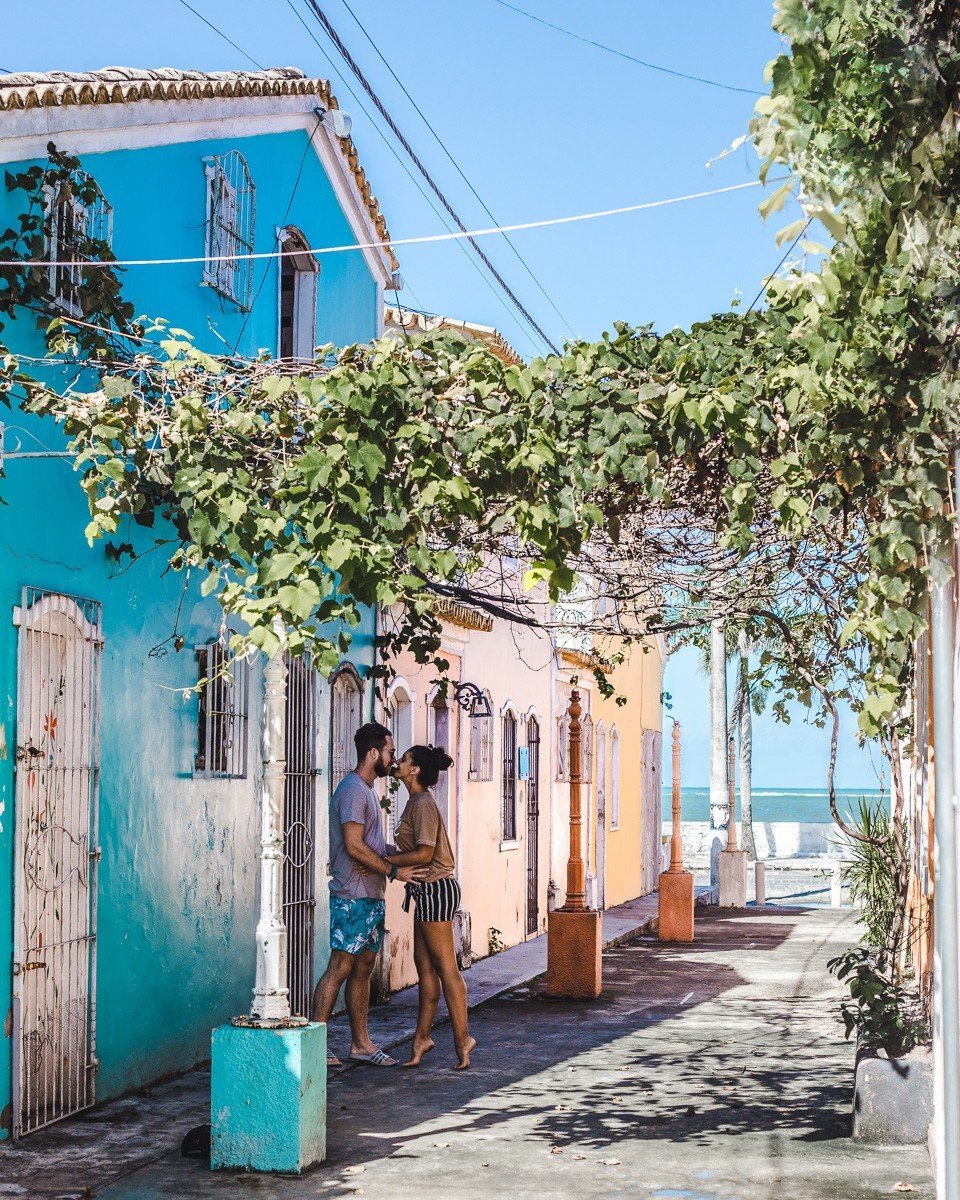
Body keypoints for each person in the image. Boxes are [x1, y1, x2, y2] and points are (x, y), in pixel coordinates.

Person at [312, 721, 424, 1068]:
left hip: (370, 894)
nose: (392, 758)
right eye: (390, 751)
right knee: (340, 965)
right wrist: (393, 870)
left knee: (363, 967)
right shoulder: (352, 791)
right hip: (352, 893)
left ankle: (360, 1043)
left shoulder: (368, 792)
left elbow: (371, 846)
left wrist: (405, 856)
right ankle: (315, 1045)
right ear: (373, 753)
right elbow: (354, 845)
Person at [386, 745, 477, 1071]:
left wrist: (385, 862)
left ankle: (463, 1039)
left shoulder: (423, 804)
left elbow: (425, 854)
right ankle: (422, 1039)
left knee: (446, 968)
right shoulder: (415, 802)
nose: (398, 762)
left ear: (414, 770)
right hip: (426, 892)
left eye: (404, 759)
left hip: (436, 889)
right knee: (424, 967)